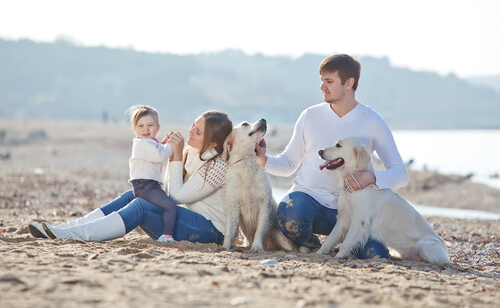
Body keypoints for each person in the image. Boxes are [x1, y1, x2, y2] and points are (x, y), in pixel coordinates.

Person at [255, 54, 409, 258]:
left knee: (375, 254)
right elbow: (289, 163)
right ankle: (312, 244)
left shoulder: (372, 121)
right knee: (291, 216)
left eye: (329, 81)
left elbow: (400, 173)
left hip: (355, 211)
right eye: (321, 80)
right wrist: (263, 159)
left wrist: (371, 178)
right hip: (309, 202)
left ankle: (343, 242)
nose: (322, 87)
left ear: (349, 83)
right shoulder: (309, 116)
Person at [28, 111, 233, 245]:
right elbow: (169, 193)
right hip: (186, 220)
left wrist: (175, 156)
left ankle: (78, 234)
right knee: (131, 195)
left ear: (213, 143)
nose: (190, 132)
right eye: (192, 125)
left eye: (197, 132)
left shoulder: (218, 165)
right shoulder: (193, 152)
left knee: (142, 206)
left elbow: (177, 197)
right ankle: (69, 227)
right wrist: (175, 156)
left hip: (209, 232)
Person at [126, 104, 177, 242]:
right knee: (170, 207)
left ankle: (140, 222)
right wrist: (171, 146)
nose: (146, 129)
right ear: (134, 129)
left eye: (150, 125)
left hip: (147, 185)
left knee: (159, 207)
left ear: (158, 128)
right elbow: (160, 155)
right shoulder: (142, 143)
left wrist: (163, 144)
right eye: (141, 126)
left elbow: (156, 151)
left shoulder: (148, 142)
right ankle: (166, 236)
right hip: (145, 186)